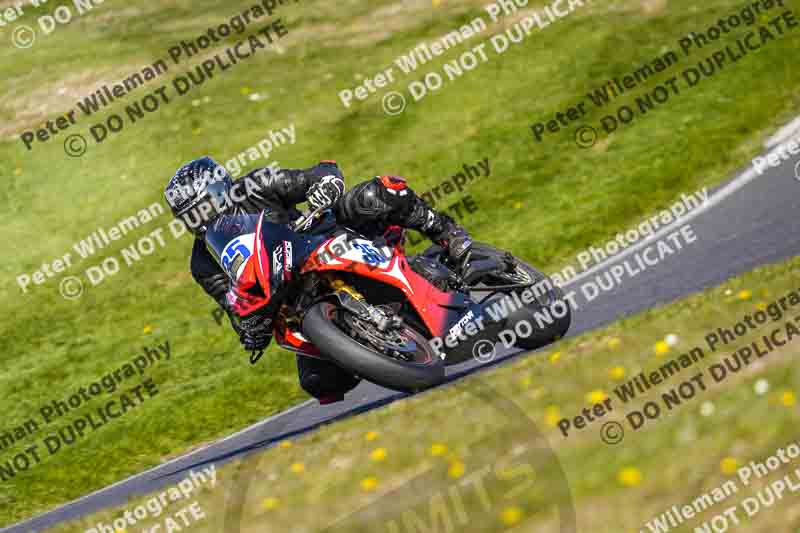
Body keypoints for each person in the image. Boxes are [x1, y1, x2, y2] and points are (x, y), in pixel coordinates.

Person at [164, 156, 472, 403]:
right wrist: (250, 330)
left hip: (324, 239)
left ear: (222, 189)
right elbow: (233, 305)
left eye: (204, 206)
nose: (201, 219)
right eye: (191, 216)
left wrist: (325, 185)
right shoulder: (203, 263)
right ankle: (376, 345)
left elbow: (321, 172)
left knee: (373, 195)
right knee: (321, 383)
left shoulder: (258, 185)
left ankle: (448, 234)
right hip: (293, 300)